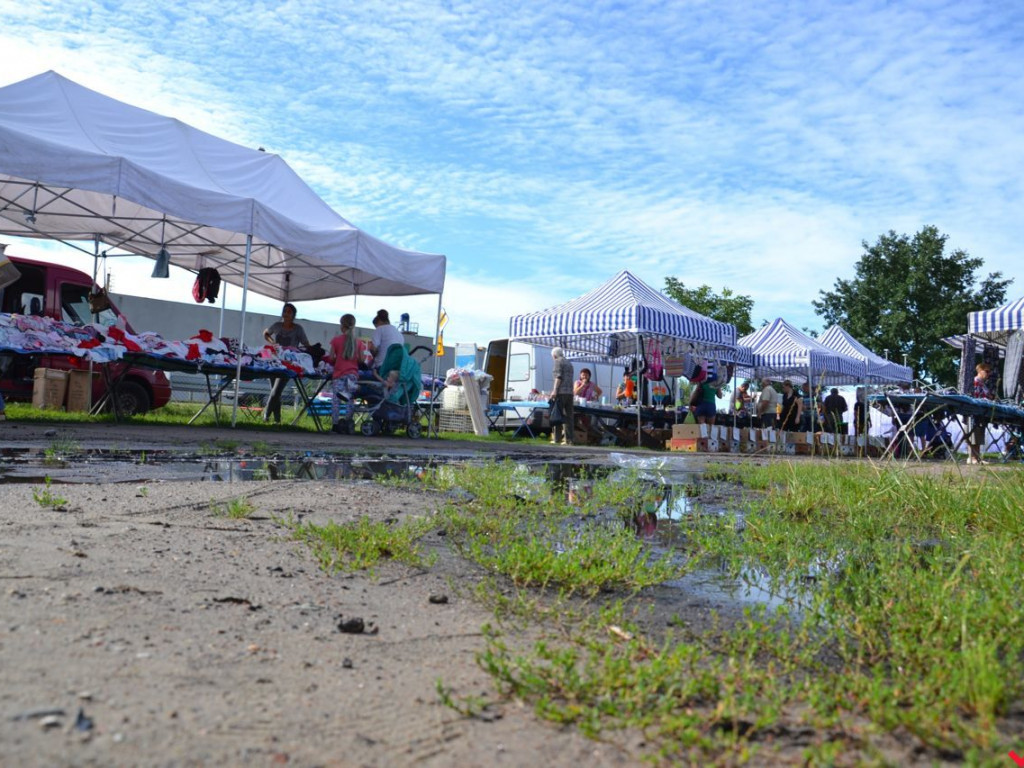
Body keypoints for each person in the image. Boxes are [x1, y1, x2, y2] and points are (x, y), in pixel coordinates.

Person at [262, 302, 310, 423]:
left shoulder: (298, 329)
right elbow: (266, 333)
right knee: (274, 390)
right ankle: (277, 421)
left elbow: (306, 343)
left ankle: (266, 415)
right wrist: (272, 342)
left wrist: (312, 351)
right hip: (274, 359)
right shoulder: (277, 325)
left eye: (289, 312)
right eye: (285, 311)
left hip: (289, 362)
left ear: (294, 315)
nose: (286, 314)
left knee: (276, 390)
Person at [324, 313, 365, 434]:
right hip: (352, 375)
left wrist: (337, 359)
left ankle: (335, 425)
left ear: (342, 326)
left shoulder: (336, 340)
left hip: (339, 374)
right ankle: (348, 424)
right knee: (350, 399)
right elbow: (362, 360)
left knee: (336, 400)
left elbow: (331, 358)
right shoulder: (359, 343)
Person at [967, 362, 996, 464]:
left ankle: (977, 457)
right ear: (980, 370)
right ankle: (972, 458)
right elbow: (975, 396)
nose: (988, 374)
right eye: (987, 371)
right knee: (973, 435)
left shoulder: (983, 384)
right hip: (975, 411)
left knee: (979, 435)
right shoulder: (975, 381)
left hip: (982, 412)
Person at [548, 347, 575, 446]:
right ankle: (570, 440)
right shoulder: (569, 363)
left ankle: (557, 439)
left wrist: (555, 390)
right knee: (569, 417)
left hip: (561, 392)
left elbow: (558, 377)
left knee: (557, 415)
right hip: (570, 392)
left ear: (554, 355)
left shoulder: (557, 362)